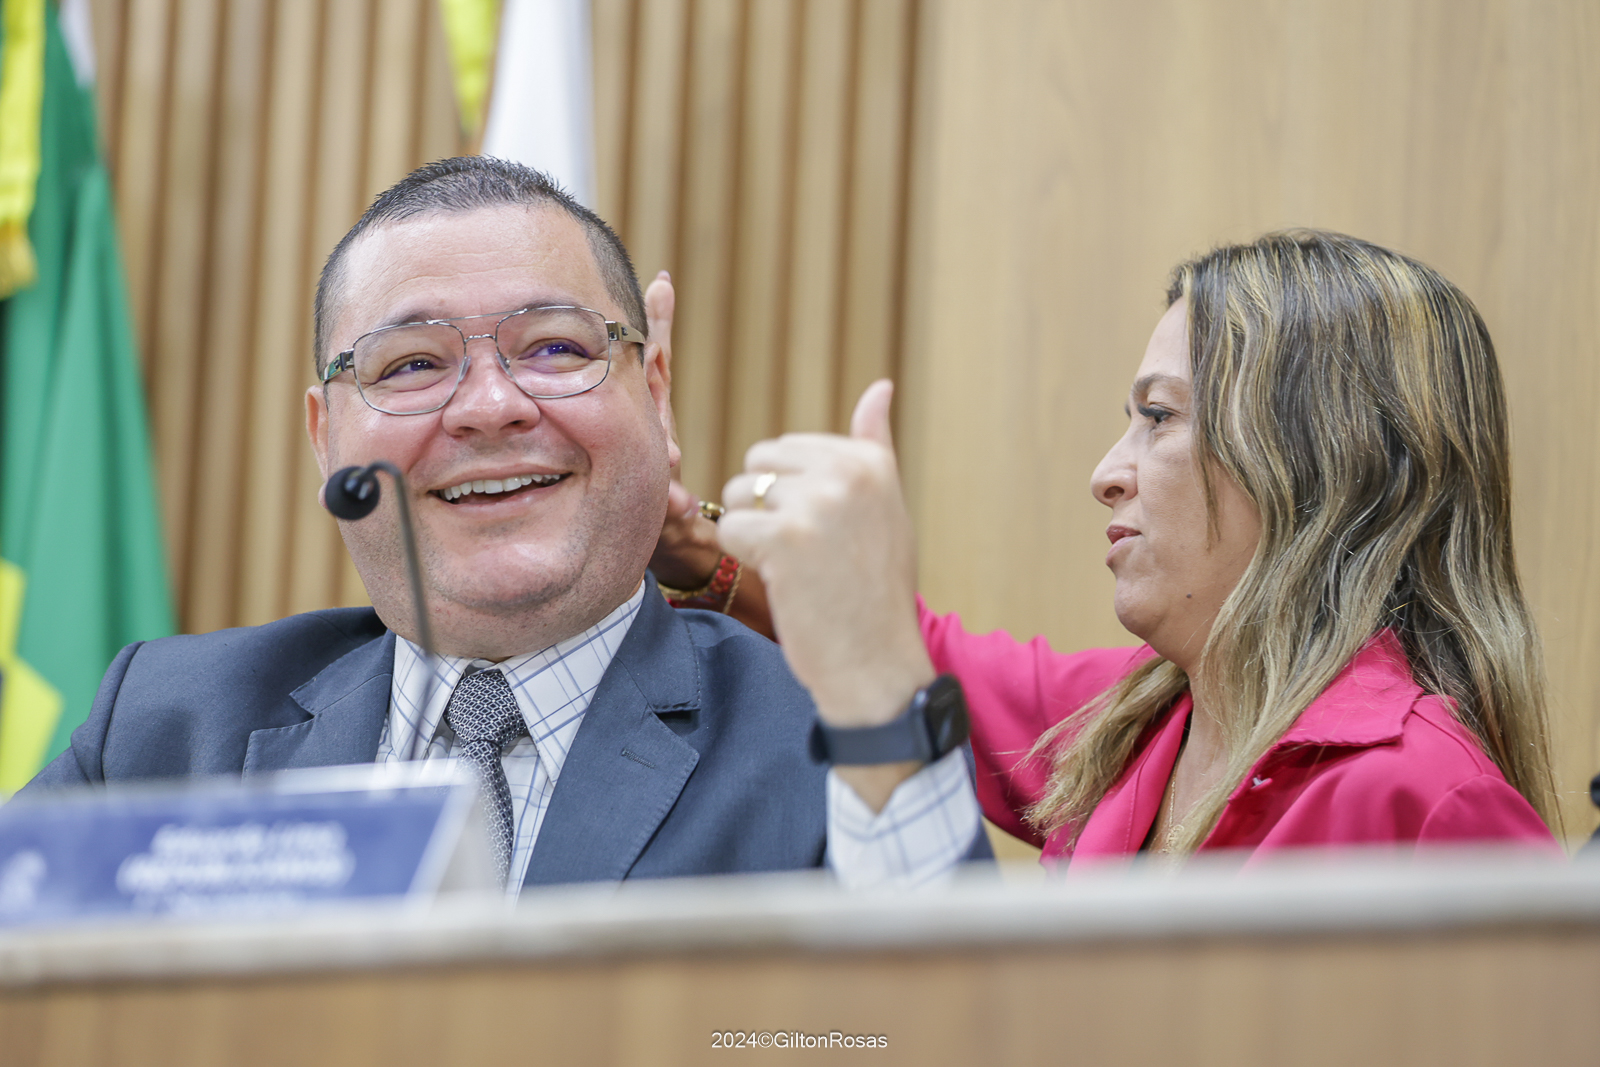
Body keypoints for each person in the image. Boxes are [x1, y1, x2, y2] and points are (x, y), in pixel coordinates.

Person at [21, 156, 988, 891]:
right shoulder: (163, 729)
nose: (490, 407)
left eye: (555, 347)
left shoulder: (835, 740)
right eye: (412, 364)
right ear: (325, 438)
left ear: (655, 394)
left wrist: (880, 705)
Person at [685, 230, 1560, 870]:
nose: (1107, 473)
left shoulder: (1432, 797)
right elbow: (930, 661)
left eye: (1159, 417)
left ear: (1317, 464)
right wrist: (699, 549)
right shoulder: (1149, 712)